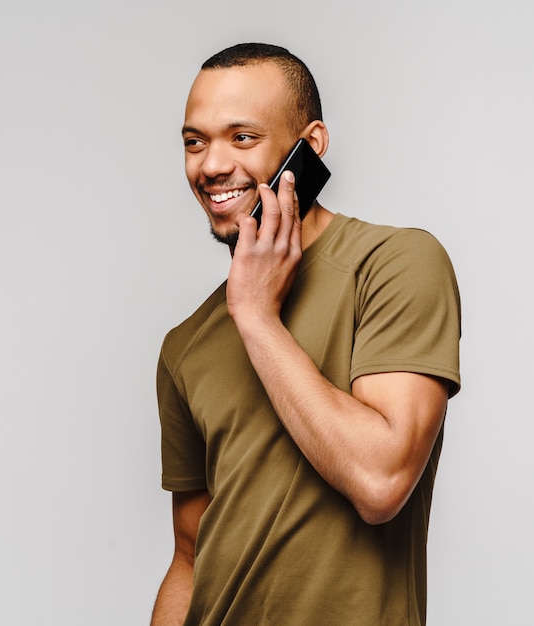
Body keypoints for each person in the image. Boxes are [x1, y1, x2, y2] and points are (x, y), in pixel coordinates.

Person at [151, 43, 461, 626]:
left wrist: (258, 318)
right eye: (195, 142)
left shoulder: (395, 263)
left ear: (309, 146)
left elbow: (381, 480)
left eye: (242, 138)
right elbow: (189, 560)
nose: (211, 165)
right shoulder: (184, 345)